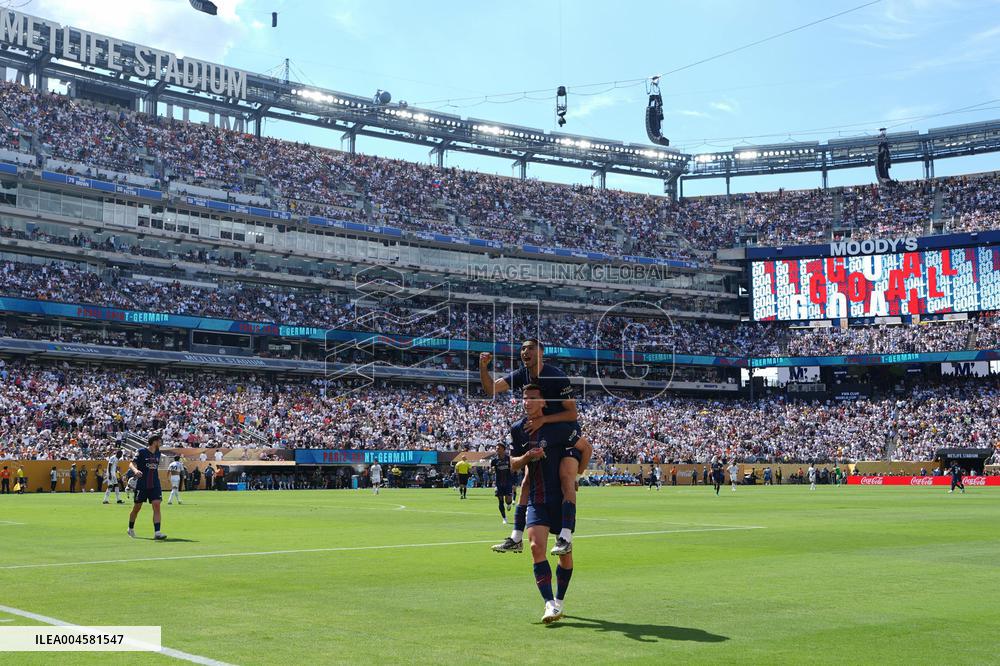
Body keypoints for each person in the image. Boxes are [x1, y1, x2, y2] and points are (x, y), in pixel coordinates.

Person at [481, 340, 592, 553]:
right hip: (541, 428)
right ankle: (516, 537)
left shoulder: (557, 377)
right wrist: (483, 367)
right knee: (526, 481)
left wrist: (544, 421)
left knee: (565, 477)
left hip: (564, 429)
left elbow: (572, 414)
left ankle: (565, 538)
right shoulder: (521, 374)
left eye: (530, 348)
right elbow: (491, 389)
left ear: (541, 354)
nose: (525, 351)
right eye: (522, 348)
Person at [508, 384, 584, 623]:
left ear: (543, 403)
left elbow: (585, 447)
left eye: (532, 398)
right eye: (523, 398)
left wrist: (576, 476)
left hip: (561, 499)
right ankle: (550, 604)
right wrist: (528, 457)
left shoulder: (559, 427)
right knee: (535, 547)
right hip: (537, 499)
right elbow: (513, 463)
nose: (526, 402)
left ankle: (560, 600)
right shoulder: (518, 429)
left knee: (565, 556)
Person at [127, 434, 166, 540]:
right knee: (137, 508)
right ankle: (130, 528)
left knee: (157, 505)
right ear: (154, 441)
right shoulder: (141, 451)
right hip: (142, 484)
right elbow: (131, 464)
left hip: (155, 484)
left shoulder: (158, 453)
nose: (161, 443)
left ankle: (157, 532)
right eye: (160, 441)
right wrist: (136, 471)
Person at [491, 443, 514, 524]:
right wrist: (492, 470)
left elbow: (513, 469)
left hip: (508, 482)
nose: (497, 450)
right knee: (500, 501)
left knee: (508, 500)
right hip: (498, 483)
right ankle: (504, 518)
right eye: (496, 448)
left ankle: (509, 504)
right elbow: (492, 470)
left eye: (499, 448)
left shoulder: (509, 459)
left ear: (503, 449)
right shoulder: (494, 460)